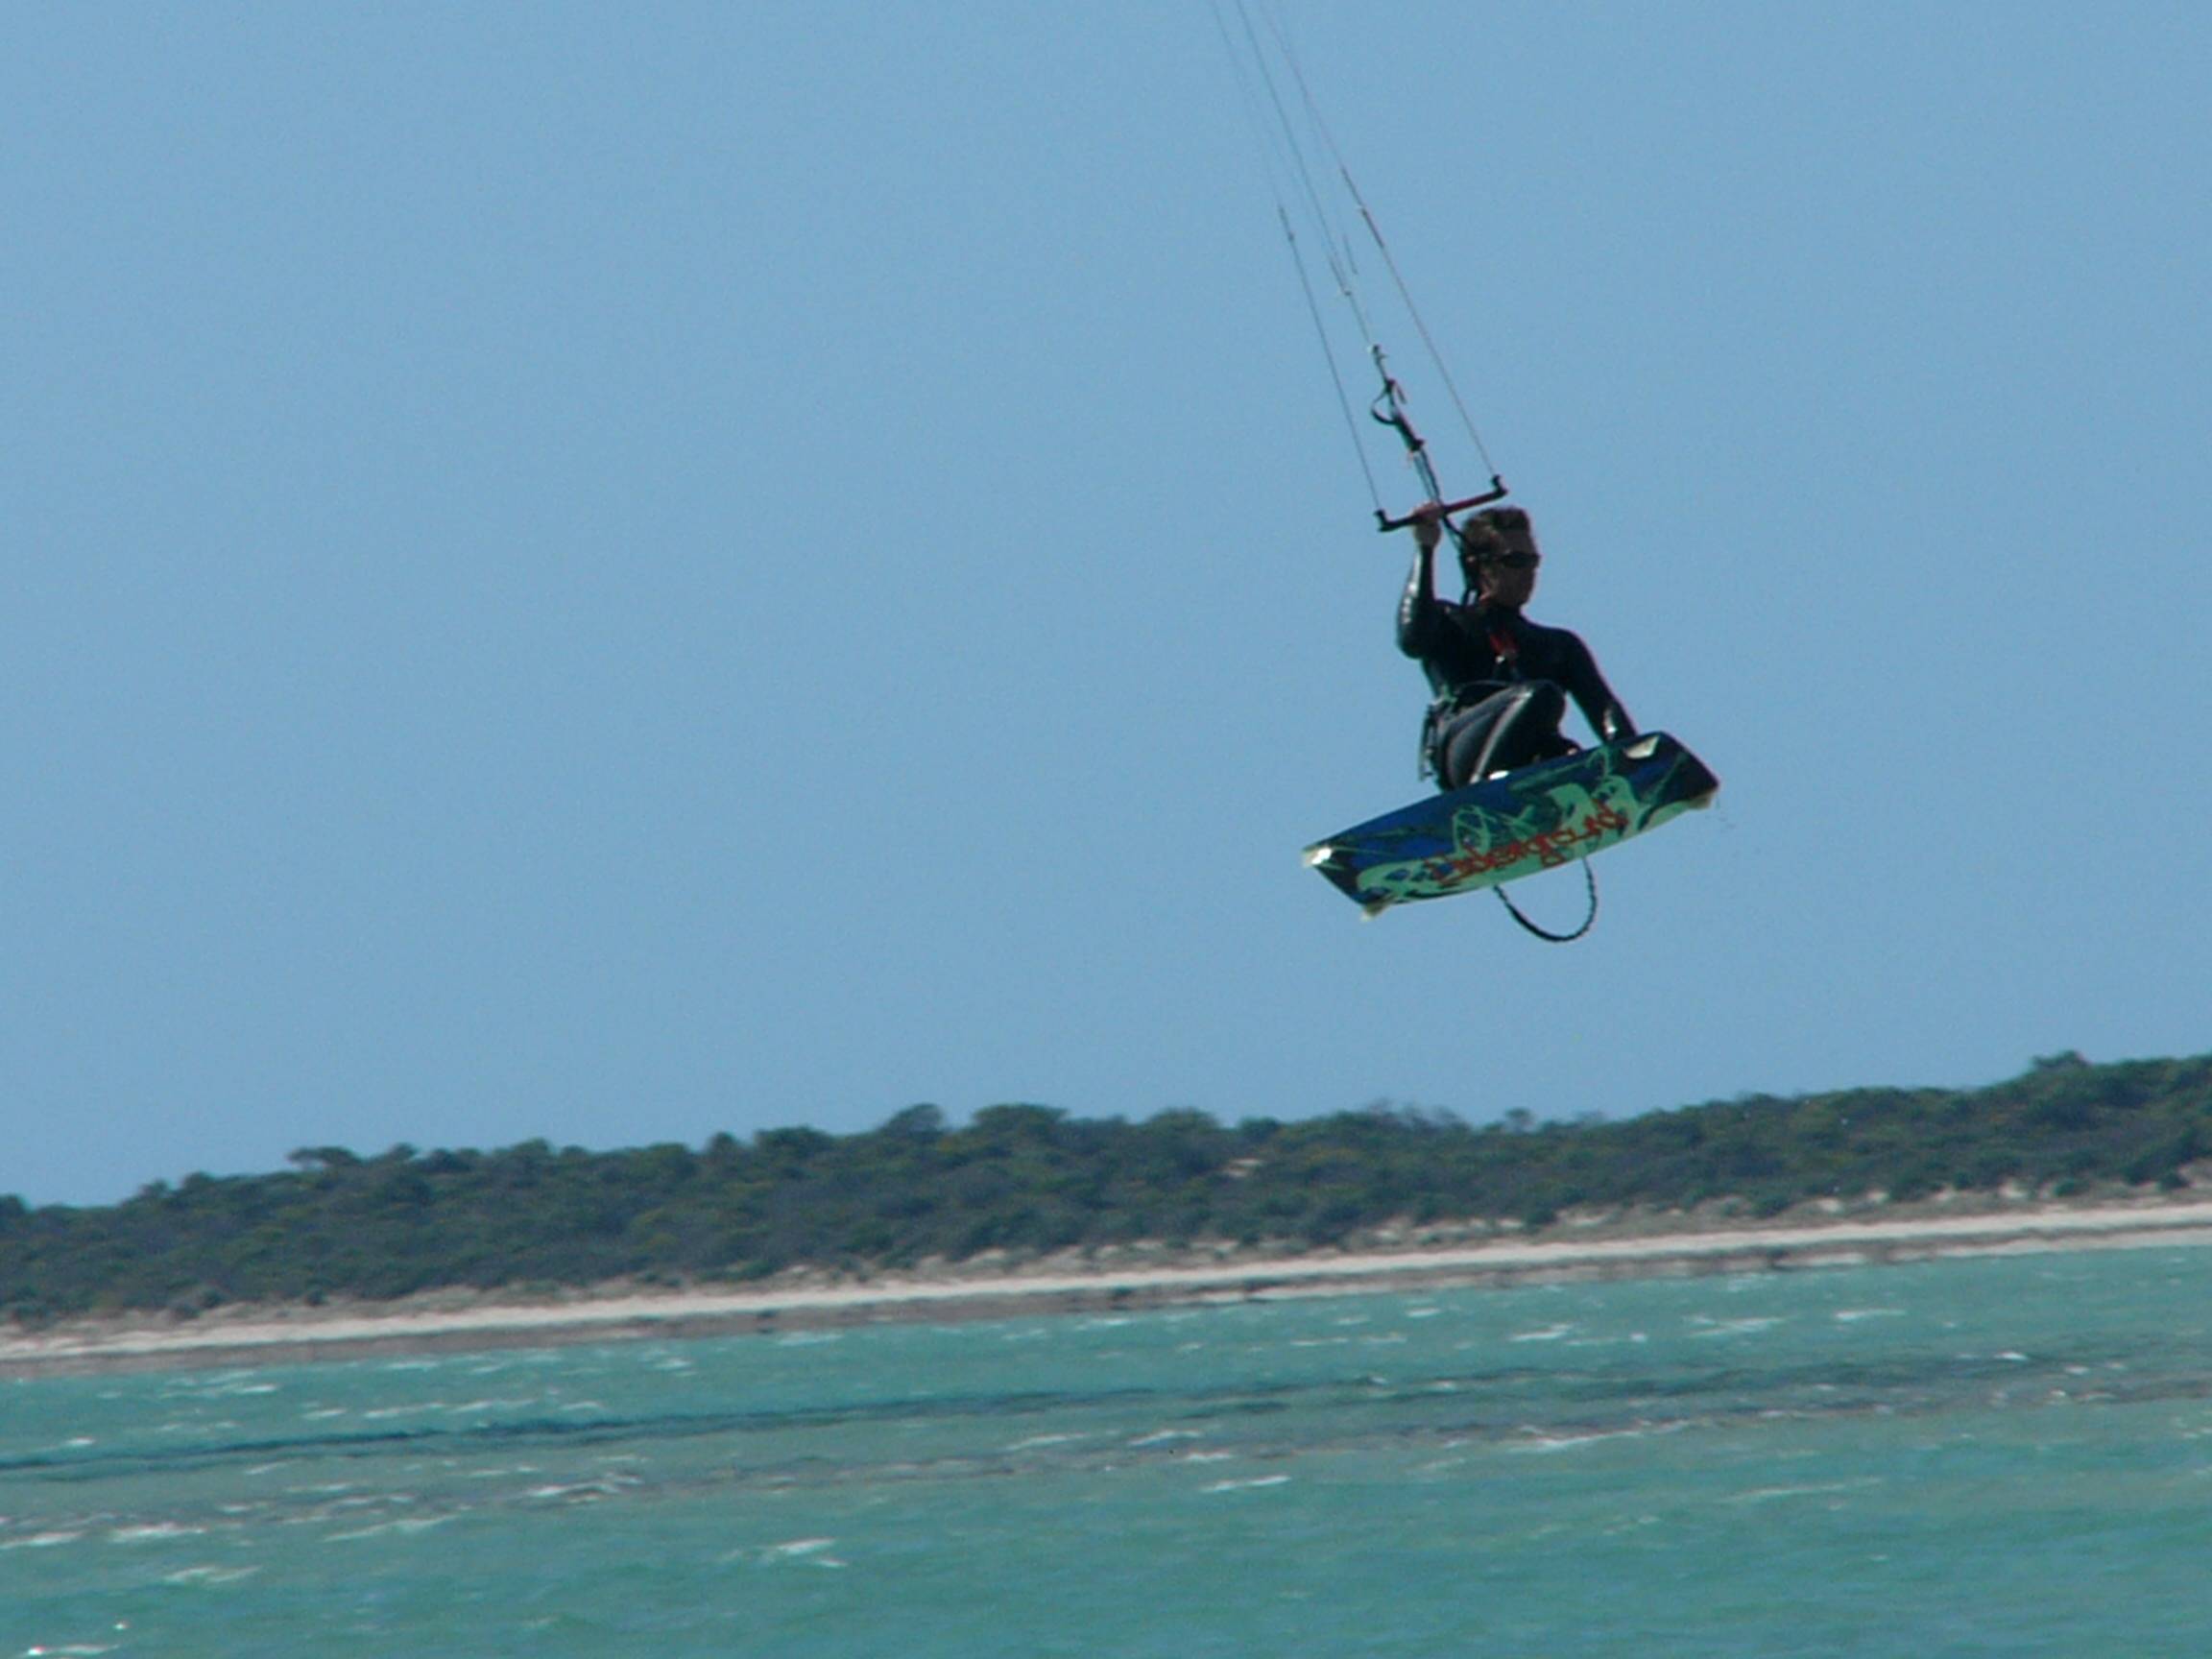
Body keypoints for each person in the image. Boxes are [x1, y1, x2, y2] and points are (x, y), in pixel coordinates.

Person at [1397, 505, 1632, 789]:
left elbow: (1605, 709)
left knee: (1569, 754)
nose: (1529, 573)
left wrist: (1637, 763)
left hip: (1527, 756)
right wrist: (1425, 546)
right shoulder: (1448, 621)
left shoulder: (1558, 645)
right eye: (1515, 561)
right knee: (1543, 695)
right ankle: (1483, 788)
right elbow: (1411, 639)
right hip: (1464, 744)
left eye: (1533, 562)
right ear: (1478, 565)